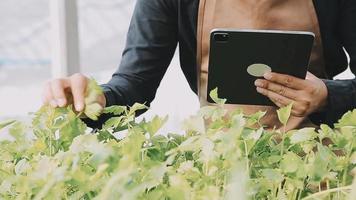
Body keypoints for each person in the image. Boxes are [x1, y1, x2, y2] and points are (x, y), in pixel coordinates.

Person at [43, 0, 356, 128]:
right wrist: (97, 99)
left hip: (321, 166)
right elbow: (134, 85)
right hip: (215, 164)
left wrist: (328, 96)